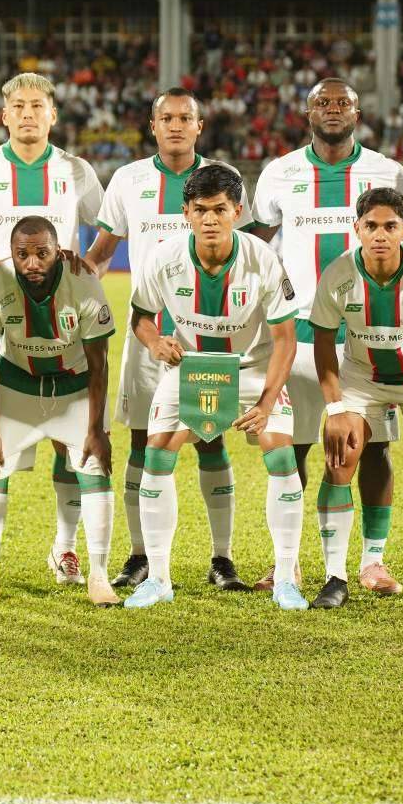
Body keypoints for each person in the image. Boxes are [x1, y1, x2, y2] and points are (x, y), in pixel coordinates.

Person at [249, 77, 403, 596]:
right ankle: (288, 562)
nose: (332, 109)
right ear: (307, 113)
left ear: (357, 112)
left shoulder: (388, 171)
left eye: (342, 102)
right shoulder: (280, 172)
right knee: (295, 449)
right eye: (322, 103)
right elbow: (255, 245)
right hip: (300, 335)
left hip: (369, 336)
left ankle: (373, 561)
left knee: (374, 449)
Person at [82, 87, 250, 592]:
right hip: (147, 334)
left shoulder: (224, 178)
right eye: (166, 118)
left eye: (185, 118)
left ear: (200, 126)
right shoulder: (128, 180)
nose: (176, 126)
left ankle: (222, 558)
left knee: (211, 438)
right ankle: (140, 555)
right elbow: (101, 253)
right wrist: (73, 290)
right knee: (142, 440)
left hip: (209, 335)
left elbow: (248, 248)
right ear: (152, 126)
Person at [125, 164, 306, 610]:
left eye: (220, 210)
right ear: (186, 212)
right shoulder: (164, 257)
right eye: (201, 210)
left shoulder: (262, 259)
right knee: (156, 453)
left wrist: (267, 403)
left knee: (281, 455)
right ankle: (159, 579)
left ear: (237, 212)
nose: (210, 219)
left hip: (252, 369)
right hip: (190, 368)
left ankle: (286, 579)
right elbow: (141, 317)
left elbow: (286, 339)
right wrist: (155, 342)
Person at [0, 72, 104, 587]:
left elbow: (108, 226)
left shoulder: (75, 169)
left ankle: (65, 547)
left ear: (53, 115)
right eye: (18, 106)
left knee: (69, 434)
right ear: (4, 115)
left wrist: (89, 270)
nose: (27, 114)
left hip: (63, 319)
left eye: (37, 105)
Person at [309, 188, 403, 613]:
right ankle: (335, 577)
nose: (380, 235)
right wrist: (336, 408)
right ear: (357, 229)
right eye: (371, 226)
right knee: (339, 456)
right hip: (361, 380)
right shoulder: (338, 274)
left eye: (390, 226)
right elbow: (323, 345)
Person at [0, 217, 118, 607]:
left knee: (93, 466)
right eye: (22, 254)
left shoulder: (83, 283)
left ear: (58, 252)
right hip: (18, 385)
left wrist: (96, 428)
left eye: (42, 253)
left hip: (73, 387)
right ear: (11, 254)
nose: (32, 263)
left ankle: (99, 577)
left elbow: (99, 363)